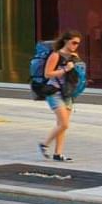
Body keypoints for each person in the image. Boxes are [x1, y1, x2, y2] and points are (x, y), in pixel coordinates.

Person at [39, 30, 85, 162]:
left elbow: (77, 72)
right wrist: (65, 69)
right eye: (74, 42)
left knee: (61, 125)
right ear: (66, 41)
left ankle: (58, 154)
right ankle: (44, 144)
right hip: (55, 92)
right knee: (64, 124)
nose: (76, 46)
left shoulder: (74, 55)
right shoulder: (55, 55)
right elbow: (47, 74)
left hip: (68, 93)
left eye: (78, 43)